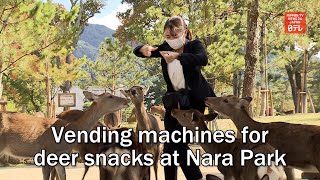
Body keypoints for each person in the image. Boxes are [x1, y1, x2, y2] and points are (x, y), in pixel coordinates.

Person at [133, 16, 216, 180]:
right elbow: (139, 52)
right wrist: (143, 49)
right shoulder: (164, 48)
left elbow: (203, 59)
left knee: (178, 142)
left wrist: (178, 56)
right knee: (170, 147)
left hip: (193, 102)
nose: (171, 40)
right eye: (168, 37)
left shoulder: (194, 45)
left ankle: (196, 177)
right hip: (174, 102)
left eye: (175, 36)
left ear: (184, 32)